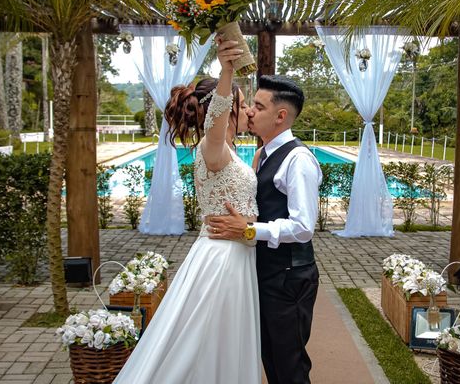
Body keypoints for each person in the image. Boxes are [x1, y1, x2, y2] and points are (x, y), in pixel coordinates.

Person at [113, 38, 260, 384]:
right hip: (221, 260)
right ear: (222, 112)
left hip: (235, 255)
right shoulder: (211, 149)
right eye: (241, 103)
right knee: (204, 343)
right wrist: (226, 72)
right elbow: (216, 121)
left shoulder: (229, 152)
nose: (248, 109)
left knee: (222, 342)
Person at [208, 75, 322, 384]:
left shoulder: (298, 160)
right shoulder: (265, 155)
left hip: (290, 277)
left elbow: (303, 227)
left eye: (258, 106)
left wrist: (248, 230)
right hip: (269, 273)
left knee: (289, 365)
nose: (249, 112)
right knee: (271, 359)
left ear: (281, 116)